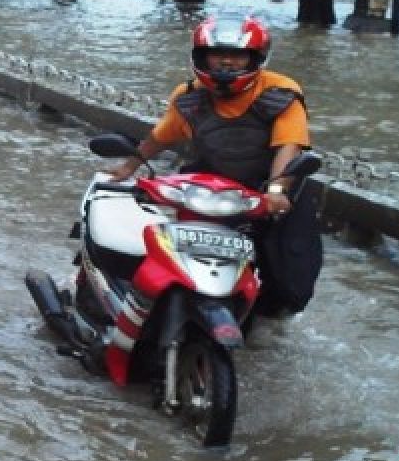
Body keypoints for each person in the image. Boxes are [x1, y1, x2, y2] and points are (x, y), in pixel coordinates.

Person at [107, 16, 321, 315]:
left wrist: (276, 190)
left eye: (237, 55)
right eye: (219, 54)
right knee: (176, 254)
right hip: (212, 188)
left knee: (292, 280)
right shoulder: (188, 97)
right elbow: (161, 135)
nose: (227, 63)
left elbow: (289, 145)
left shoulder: (281, 92)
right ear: (202, 56)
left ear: (255, 58)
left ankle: (269, 324)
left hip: (274, 191)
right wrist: (130, 166)